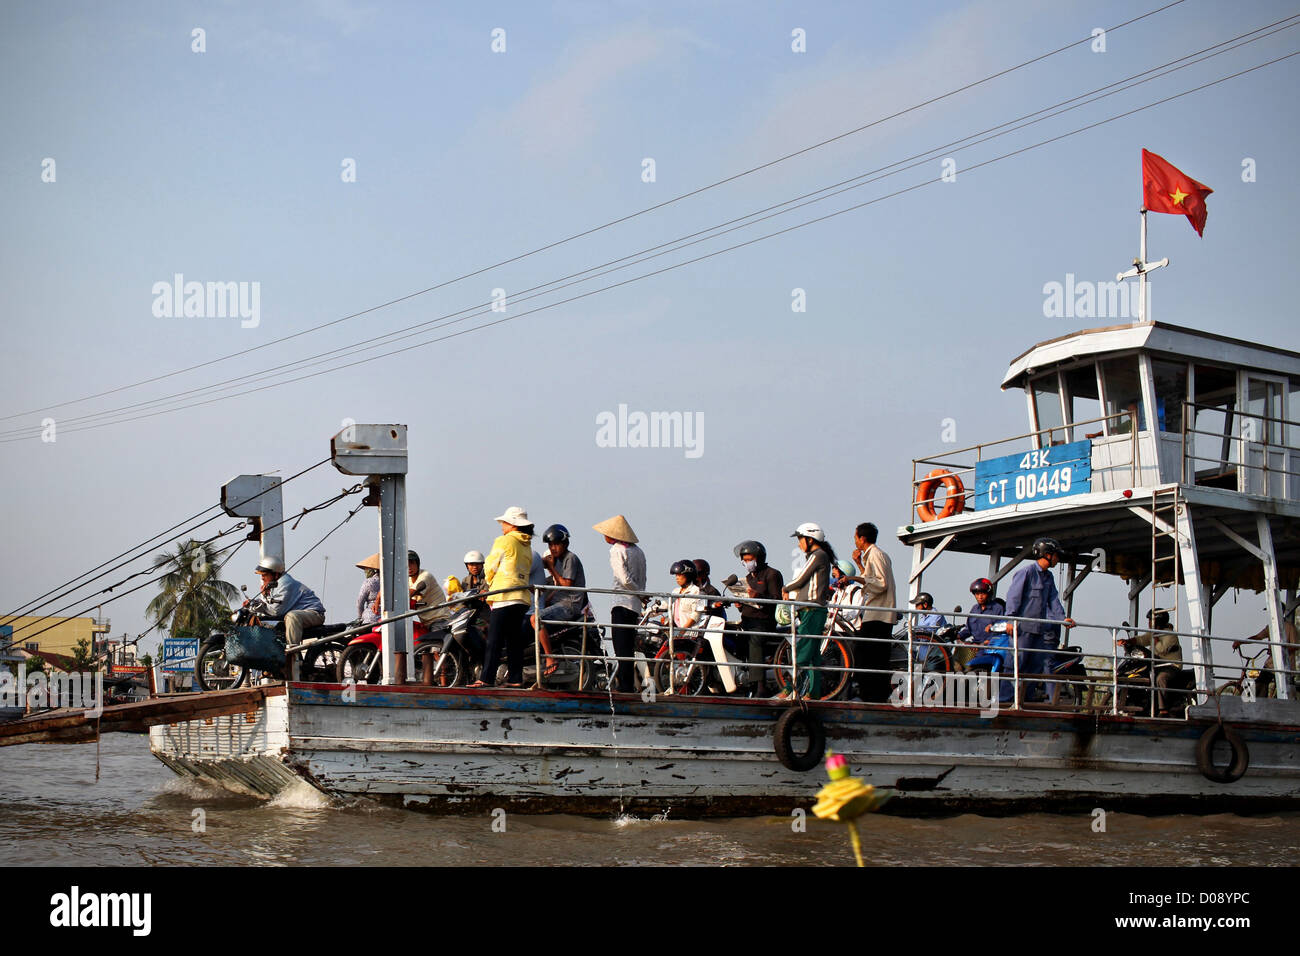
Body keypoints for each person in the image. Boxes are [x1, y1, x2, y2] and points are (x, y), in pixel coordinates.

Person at [1003, 537, 1076, 702]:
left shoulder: (1048, 577)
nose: (1057, 559)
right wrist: (1010, 619)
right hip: (1021, 629)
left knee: (1034, 666)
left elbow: (1053, 601)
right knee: (1015, 664)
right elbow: (1013, 596)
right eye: (1056, 555)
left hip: (1038, 630)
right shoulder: (1027, 572)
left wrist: (1063, 619)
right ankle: (1005, 699)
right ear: (1047, 554)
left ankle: (1025, 700)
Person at [473, 506, 534, 688]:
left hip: (504, 595)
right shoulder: (527, 545)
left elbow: (490, 566)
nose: (502, 526)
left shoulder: (504, 540)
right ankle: (515, 679)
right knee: (514, 640)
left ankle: (486, 678)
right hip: (521, 597)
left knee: (494, 640)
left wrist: (490, 582)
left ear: (513, 524)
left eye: (505, 522)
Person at [780, 523, 835, 700]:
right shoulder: (819, 556)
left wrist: (786, 587)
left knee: (802, 652)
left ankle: (789, 689)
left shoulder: (818, 555)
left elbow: (801, 577)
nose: (799, 544)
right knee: (812, 656)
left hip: (812, 610)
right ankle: (813, 693)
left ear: (810, 539)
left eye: (800, 539)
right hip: (810, 610)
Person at [594, 515, 646, 693]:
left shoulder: (617, 550)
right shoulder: (638, 551)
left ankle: (625, 686)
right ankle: (627, 683)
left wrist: (637, 591)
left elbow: (624, 578)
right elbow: (643, 578)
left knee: (621, 647)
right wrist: (641, 595)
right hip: (634, 605)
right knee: (628, 647)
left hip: (622, 602)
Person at [849, 522, 898, 703]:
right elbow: (871, 578)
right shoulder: (875, 555)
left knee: (867, 654)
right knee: (875, 656)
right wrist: (858, 564)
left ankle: (871, 695)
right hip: (878, 612)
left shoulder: (876, 555)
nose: (854, 541)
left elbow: (880, 584)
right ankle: (876, 695)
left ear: (862, 538)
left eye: (855, 537)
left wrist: (853, 578)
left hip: (878, 613)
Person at [536, 524, 587, 678]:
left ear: (565, 544)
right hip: (560, 602)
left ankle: (550, 658)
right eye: (550, 545)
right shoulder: (557, 559)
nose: (553, 548)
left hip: (569, 605)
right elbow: (557, 588)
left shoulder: (570, 558)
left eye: (556, 544)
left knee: (535, 619)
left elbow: (566, 584)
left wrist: (551, 568)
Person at [733, 540, 784, 694]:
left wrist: (759, 596)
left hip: (763, 621)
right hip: (747, 620)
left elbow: (777, 599)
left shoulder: (772, 574)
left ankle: (760, 686)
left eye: (750, 559)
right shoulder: (748, 578)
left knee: (755, 640)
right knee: (732, 639)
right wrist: (740, 604)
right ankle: (741, 680)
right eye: (745, 560)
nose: (747, 563)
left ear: (759, 558)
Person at [246, 556, 326, 647]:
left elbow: (275, 611)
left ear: (275, 574)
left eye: (264, 575)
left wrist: (261, 603)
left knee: (292, 616)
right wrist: (256, 602)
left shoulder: (286, 584)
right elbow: (269, 606)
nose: (262, 578)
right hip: (299, 613)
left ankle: (292, 652)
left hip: (314, 613)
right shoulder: (273, 585)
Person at [1119, 609, 1184, 716]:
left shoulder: (1170, 635)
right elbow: (1142, 639)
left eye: (1150, 620)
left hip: (1170, 666)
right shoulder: (1153, 634)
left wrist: (1155, 637)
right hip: (1156, 664)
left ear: (1157, 622)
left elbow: (1161, 649)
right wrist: (1127, 641)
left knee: (1160, 678)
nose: (1148, 623)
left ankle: (1163, 710)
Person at [960, 578, 1012, 702]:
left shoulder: (998, 609)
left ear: (988, 594)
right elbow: (968, 629)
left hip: (990, 648)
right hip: (973, 646)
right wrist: (958, 635)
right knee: (956, 665)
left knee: (969, 670)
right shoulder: (974, 609)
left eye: (982, 593)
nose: (980, 596)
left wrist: (988, 641)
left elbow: (1001, 627)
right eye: (977, 594)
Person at [409, 550, 451, 638]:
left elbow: (411, 592)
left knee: (436, 650)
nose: (409, 567)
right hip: (425, 623)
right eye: (406, 564)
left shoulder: (425, 576)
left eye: (411, 563)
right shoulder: (407, 580)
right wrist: (378, 599)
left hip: (439, 620)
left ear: (417, 563)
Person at [907, 592, 949, 667]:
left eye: (917, 605)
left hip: (932, 655)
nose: (916, 607)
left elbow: (929, 634)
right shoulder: (923, 617)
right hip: (922, 653)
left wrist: (917, 633)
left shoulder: (936, 616)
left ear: (925, 605)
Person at [354, 552, 381, 627]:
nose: (365, 572)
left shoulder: (369, 582)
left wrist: (360, 618)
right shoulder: (390, 581)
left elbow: (360, 603)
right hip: (387, 620)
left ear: (374, 570)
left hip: (370, 620)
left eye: (367, 569)